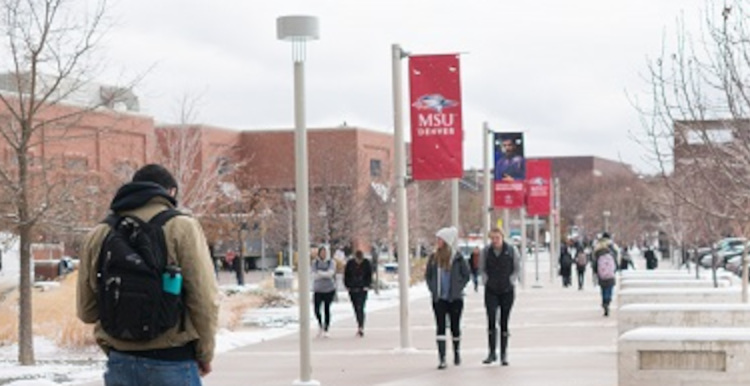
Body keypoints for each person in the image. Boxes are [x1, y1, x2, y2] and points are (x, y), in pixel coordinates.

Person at [76, 164, 219, 386]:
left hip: (120, 363)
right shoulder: (182, 227)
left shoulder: (99, 233)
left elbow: (86, 311)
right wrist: (204, 353)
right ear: (170, 192)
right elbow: (205, 300)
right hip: (173, 360)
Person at [425, 226, 470, 370]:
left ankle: (456, 352)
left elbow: (466, 274)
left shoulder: (457, 257)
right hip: (439, 299)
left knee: (455, 327)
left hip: (455, 299)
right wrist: (433, 289)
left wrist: (458, 288)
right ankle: (442, 357)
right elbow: (428, 275)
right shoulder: (433, 258)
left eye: (440, 239)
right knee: (440, 327)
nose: (437, 242)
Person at [479, 227, 521, 366]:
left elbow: (517, 267)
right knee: (491, 320)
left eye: (497, 238)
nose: (495, 241)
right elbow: (482, 268)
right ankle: (492, 352)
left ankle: (504, 353)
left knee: (504, 322)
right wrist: (486, 280)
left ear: (502, 237)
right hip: (491, 290)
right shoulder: (486, 251)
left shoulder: (511, 250)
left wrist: (511, 280)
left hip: (507, 290)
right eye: (493, 238)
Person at [344, 250, 373, 337]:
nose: (358, 262)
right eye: (357, 259)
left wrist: (367, 285)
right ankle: (359, 323)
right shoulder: (350, 263)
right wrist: (348, 285)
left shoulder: (366, 263)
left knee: (361, 307)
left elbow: (369, 275)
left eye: (360, 260)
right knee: (355, 307)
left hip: (362, 289)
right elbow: (346, 275)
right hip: (352, 289)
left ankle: (361, 326)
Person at [312, 246, 336, 338]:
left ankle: (326, 328)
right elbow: (314, 275)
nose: (323, 254)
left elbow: (330, 274)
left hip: (329, 289)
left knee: (327, 309)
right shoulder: (315, 263)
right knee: (317, 309)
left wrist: (320, 273)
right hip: (318, 289)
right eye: (321, 252)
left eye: (325, 252)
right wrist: (324, 274)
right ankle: (320, 324)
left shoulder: (331, 262)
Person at [593, 232, 618, 317]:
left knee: (603, 288)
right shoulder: (612, 247)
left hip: (601, 272)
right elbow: (616, 259)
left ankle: (604, 301)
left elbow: (594, 261)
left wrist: (595, 271)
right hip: (610, 273)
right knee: (609, 288)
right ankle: (608, 300)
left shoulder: (598, 247)